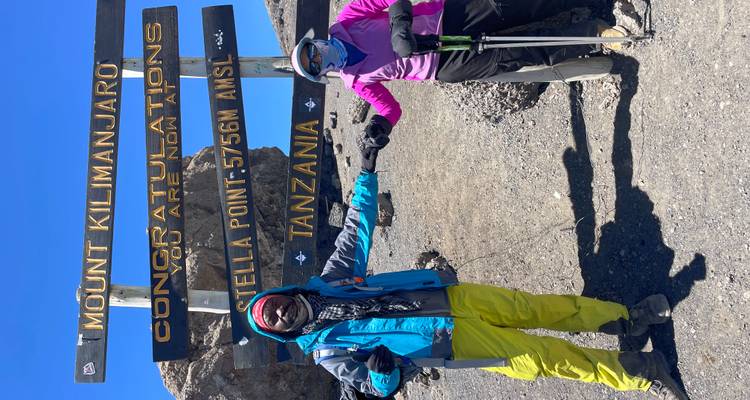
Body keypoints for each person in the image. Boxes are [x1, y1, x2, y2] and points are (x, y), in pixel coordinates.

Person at [245, 138, 689, 400]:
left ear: (282, 294)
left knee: (541, 308)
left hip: (449, 296)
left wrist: (365, 170)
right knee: (540, 359)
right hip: (451, 341)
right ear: (281, 333)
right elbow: (374, 387)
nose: (282, 313)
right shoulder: (328, 354)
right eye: (276, 321)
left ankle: (628, 319)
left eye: (276, 305)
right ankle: (642, 371)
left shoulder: (328, 283)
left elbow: (355, 230)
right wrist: (382, 376)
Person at [290, 0, 631, 138]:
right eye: (315, 64)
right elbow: (391, 109)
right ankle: (595, 34)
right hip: (442, 65)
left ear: (314, 42)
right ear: (322, 73)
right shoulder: (357, 82)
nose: (320, 56)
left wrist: (399, 28)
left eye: (312, 51)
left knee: (513, 7)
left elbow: (389, 0)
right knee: (519, 55)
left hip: (446, 16)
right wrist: (380, 127)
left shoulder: (346, 20)